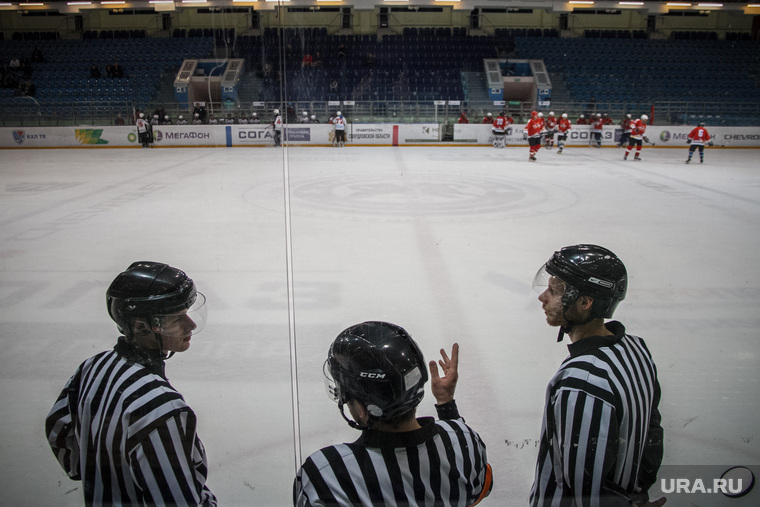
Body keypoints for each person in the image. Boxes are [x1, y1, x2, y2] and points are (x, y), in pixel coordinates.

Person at [45, 262, 217, 506]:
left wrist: (105, 478)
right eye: (176, 318)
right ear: (140, 326)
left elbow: (60, 435)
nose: (191, 325)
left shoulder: (93, 367)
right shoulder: (162, 408)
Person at [294, 321, 493, 507]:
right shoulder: (466, 440)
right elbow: (477, 490)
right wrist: (446, 405)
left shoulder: (327, 473)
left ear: (363, 409)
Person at [529, 245, 665, 507]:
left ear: (584, 302)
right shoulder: (636, 349)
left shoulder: (580, 382)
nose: (543, 297)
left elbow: (583, 490)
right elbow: (652, 435)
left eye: (555, 291)